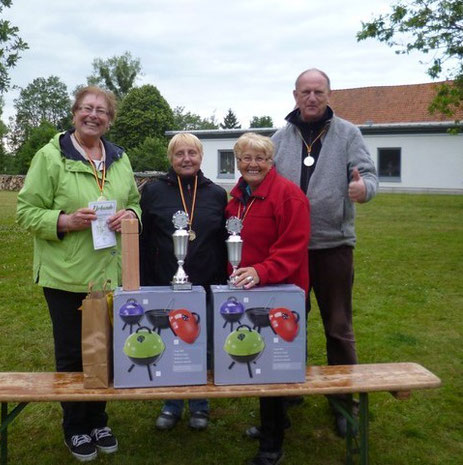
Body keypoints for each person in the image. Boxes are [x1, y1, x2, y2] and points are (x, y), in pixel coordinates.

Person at [16, 86, 141, 462]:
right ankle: (75, 426)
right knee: (73, 355)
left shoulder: (119, 158)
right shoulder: (50, 156)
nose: (93, 115)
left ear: (109, 119)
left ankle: (98, 419)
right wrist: (65, 220)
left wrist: (130, 215)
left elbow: (134, 201)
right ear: (74, 113)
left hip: (108, 273)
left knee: (103, 351)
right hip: (67, 276)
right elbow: (25, 211)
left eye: (101, 111)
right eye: (87, 108)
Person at [272, 68, 378, 437]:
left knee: (338, 327)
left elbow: (370, 176)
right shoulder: (280, 138)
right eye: (305, 92)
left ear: (329, 94)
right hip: (289, 250)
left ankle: (342, 400)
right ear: (295, 95)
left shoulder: (349, 134)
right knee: (287, 325)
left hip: (333, 246)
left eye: (318, 91)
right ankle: (288, 389)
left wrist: (364, 189)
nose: (312, 98)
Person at [226, 133, 310, 465]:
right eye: (246, 158)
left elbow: (293, 248)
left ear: (271, 162)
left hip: (281, 294)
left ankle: (272, 446)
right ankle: (274, 422)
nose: (253, 164)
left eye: (260, 158)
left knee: (272, 365)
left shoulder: (289, 196)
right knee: (259, 360)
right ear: (238, 163)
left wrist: (262, 270)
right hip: (251, 292)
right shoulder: (235, 200)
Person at [140, 132, 228, 431]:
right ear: (170, 158)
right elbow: (144, 238)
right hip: (164, 281)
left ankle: (200, 403)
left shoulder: (216, 193)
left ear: (201, 157)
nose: (186, 159)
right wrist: (143, 281)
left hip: (205, 282)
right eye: (180, 154)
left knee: (201, 343)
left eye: (192, 153)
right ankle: (172, 402)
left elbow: (223, 240)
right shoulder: (152, 191)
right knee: (170, 341)